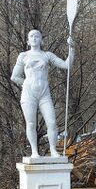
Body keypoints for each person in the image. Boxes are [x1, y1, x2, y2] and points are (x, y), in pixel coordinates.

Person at [11, 29, 74, 158]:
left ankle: (53, 150)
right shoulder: (23, 56)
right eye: (31, 36)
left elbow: (67, 65)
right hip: (29, 94)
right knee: (31, 123)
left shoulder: (47, 55)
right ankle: (34, 151)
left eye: (37, 36)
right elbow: (14, 77)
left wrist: (72, 49)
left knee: (51, 122)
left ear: (41, 40)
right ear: (28, 41)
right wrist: (26, 83)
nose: (34, 38)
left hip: (44, 94)